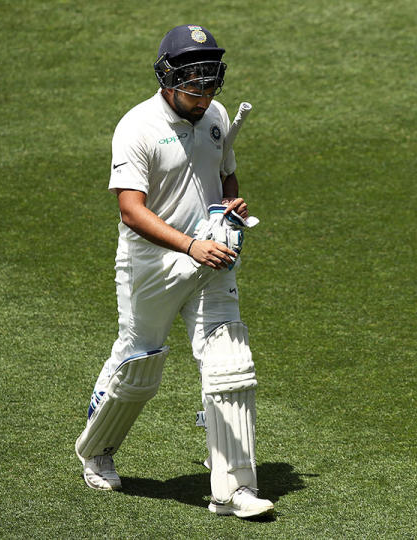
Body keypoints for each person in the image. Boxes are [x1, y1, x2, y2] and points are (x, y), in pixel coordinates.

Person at [73, 25, 274, 519]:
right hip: (153, 264)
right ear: (168, 77)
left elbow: (224, 170)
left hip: (213, 259)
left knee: (230, 365)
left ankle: (234, 489)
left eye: (210, 84)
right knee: (140, 362)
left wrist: (230, 204)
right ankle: (96, 449)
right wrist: (189, 245)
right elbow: (130, 210)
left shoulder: (216, 114)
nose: (204, 95)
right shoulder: (137, 126)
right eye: (194, 85)